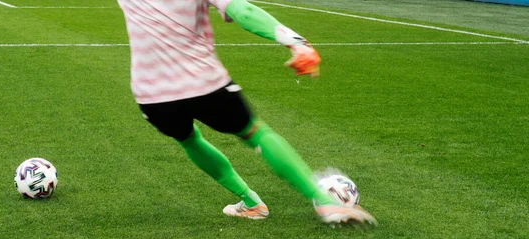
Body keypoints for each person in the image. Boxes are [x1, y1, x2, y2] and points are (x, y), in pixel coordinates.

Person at [117, 0, 377, 226]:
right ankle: (325, 202)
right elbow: (243, 10)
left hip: (152, 95)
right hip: (205, 83)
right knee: (255, 132)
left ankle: (251, 203)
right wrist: (297, 43)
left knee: (189, 140)